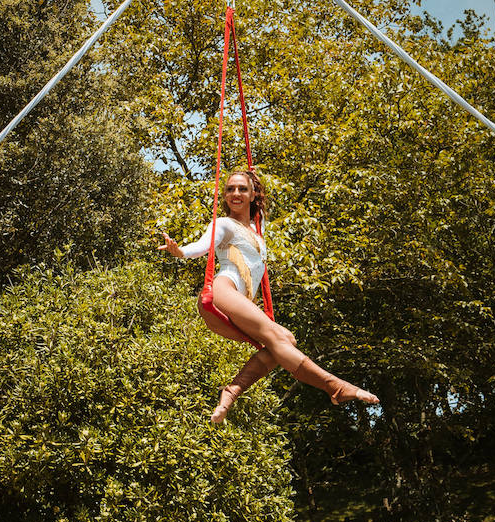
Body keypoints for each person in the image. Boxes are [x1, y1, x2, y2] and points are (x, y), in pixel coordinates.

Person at [159, 167, 380, 423]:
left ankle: (232, 392)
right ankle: (336, 387)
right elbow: (201, 246)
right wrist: (180, 251)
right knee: (277, 336)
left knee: (286, 340)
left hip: (238, 301)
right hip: (224, 290)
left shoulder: (256, 229)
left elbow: (262, 210)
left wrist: (253, 176)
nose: (235, 193)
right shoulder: (223, 224)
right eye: (230, 189)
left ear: (254, 194)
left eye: (243, 188)